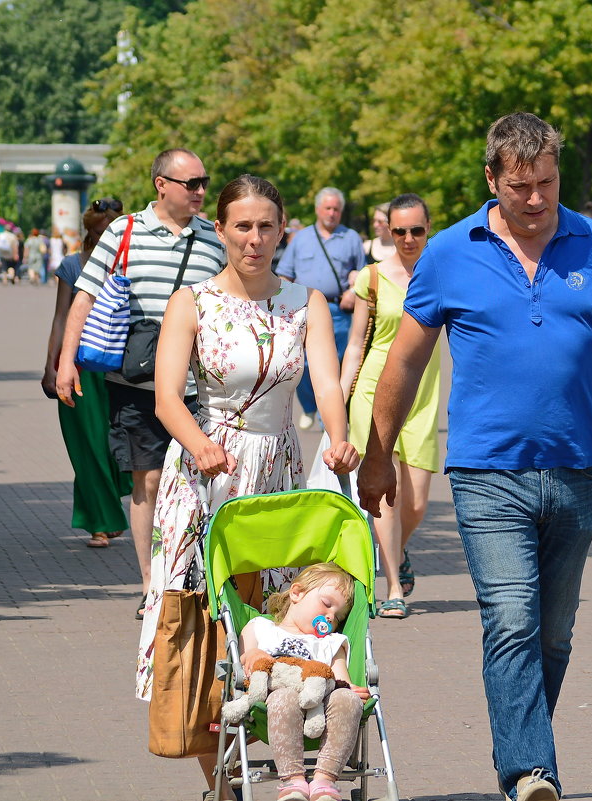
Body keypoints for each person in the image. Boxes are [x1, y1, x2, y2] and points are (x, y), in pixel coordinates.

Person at [357, 112, 592, 801]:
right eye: (520, 186)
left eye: (546, 182)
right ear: (492, 179)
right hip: (487, 473)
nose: (536, 199)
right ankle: (528, 772)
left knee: (551, 632)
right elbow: (401, 362)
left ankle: (521, 749)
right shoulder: (452, 251)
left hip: (577, 469)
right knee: (511, 619)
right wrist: (377, 454)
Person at [135, 174, 359, 799]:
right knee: (204, 615)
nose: (254, 239)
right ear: (220, 229)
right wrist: (201, 444)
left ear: (282, 227)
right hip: (208, 469)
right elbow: (166, 397)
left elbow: (327, 384)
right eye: (242, 226)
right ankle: (223, 778)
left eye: (266, 226)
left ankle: (289, 764)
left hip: (280, 471)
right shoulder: (193, 303)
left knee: (279, 616)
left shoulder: (305, 302)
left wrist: (337, 439)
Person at [56, 148, 227, 616]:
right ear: (161, 184)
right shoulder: (124, 231)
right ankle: (153, 584)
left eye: (203, 183)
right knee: (147, 479)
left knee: (201, 481)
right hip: (137, 383)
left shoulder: (214, 239)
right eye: (190, 183)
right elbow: (84, 296)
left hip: (200, 388)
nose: (199, 192)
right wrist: (66, 361)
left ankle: (193, 572)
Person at [339, 193, 438, 619]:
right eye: (400, 230)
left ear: (428, 228)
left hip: (423, 394)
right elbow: (356, 345)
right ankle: (393, 587)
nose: (409, 238)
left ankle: (396, 551)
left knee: (417, 503)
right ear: (387, 231)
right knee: (388, 497)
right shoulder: (372, 278)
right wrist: (338, 398)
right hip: (374, 393)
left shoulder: (443, 274)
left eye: (417, 229)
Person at [41, 199, 132, 547]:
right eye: (98, 230)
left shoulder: (129, 261)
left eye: (110, 230)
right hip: (78, 366)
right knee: (87, 444)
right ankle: (100, 521)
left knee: (112, 443)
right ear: (88, 229)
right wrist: (51, 364)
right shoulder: (71, 265)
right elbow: (61, 317)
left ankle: (104, 507)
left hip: (121, 366)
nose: (103, 236)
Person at [239, 563, 369, 801]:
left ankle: (324, 782)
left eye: (338, 616)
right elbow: (246, 658)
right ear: (297, 593)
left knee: (347, 698)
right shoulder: (261, 627)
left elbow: (340, 679)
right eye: (327, 604)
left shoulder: (331, 641)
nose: (330, 616)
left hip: (321, 702)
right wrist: (254, 654)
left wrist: (351, 690)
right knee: (284, 696)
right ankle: (293, 782)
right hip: (275, 697)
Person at [276, 187, 366, 430]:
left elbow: (364, 274)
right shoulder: (301, 239)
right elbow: (284, 274)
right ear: (317, 209)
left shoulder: (351, 238)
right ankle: (309, 405)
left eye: (336, 209)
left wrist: (353, 291)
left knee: (338, 362)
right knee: (302, 363)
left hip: (338, 311)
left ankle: (332, 415)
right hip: (305, 309)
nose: (332, 213)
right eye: (327, 208)